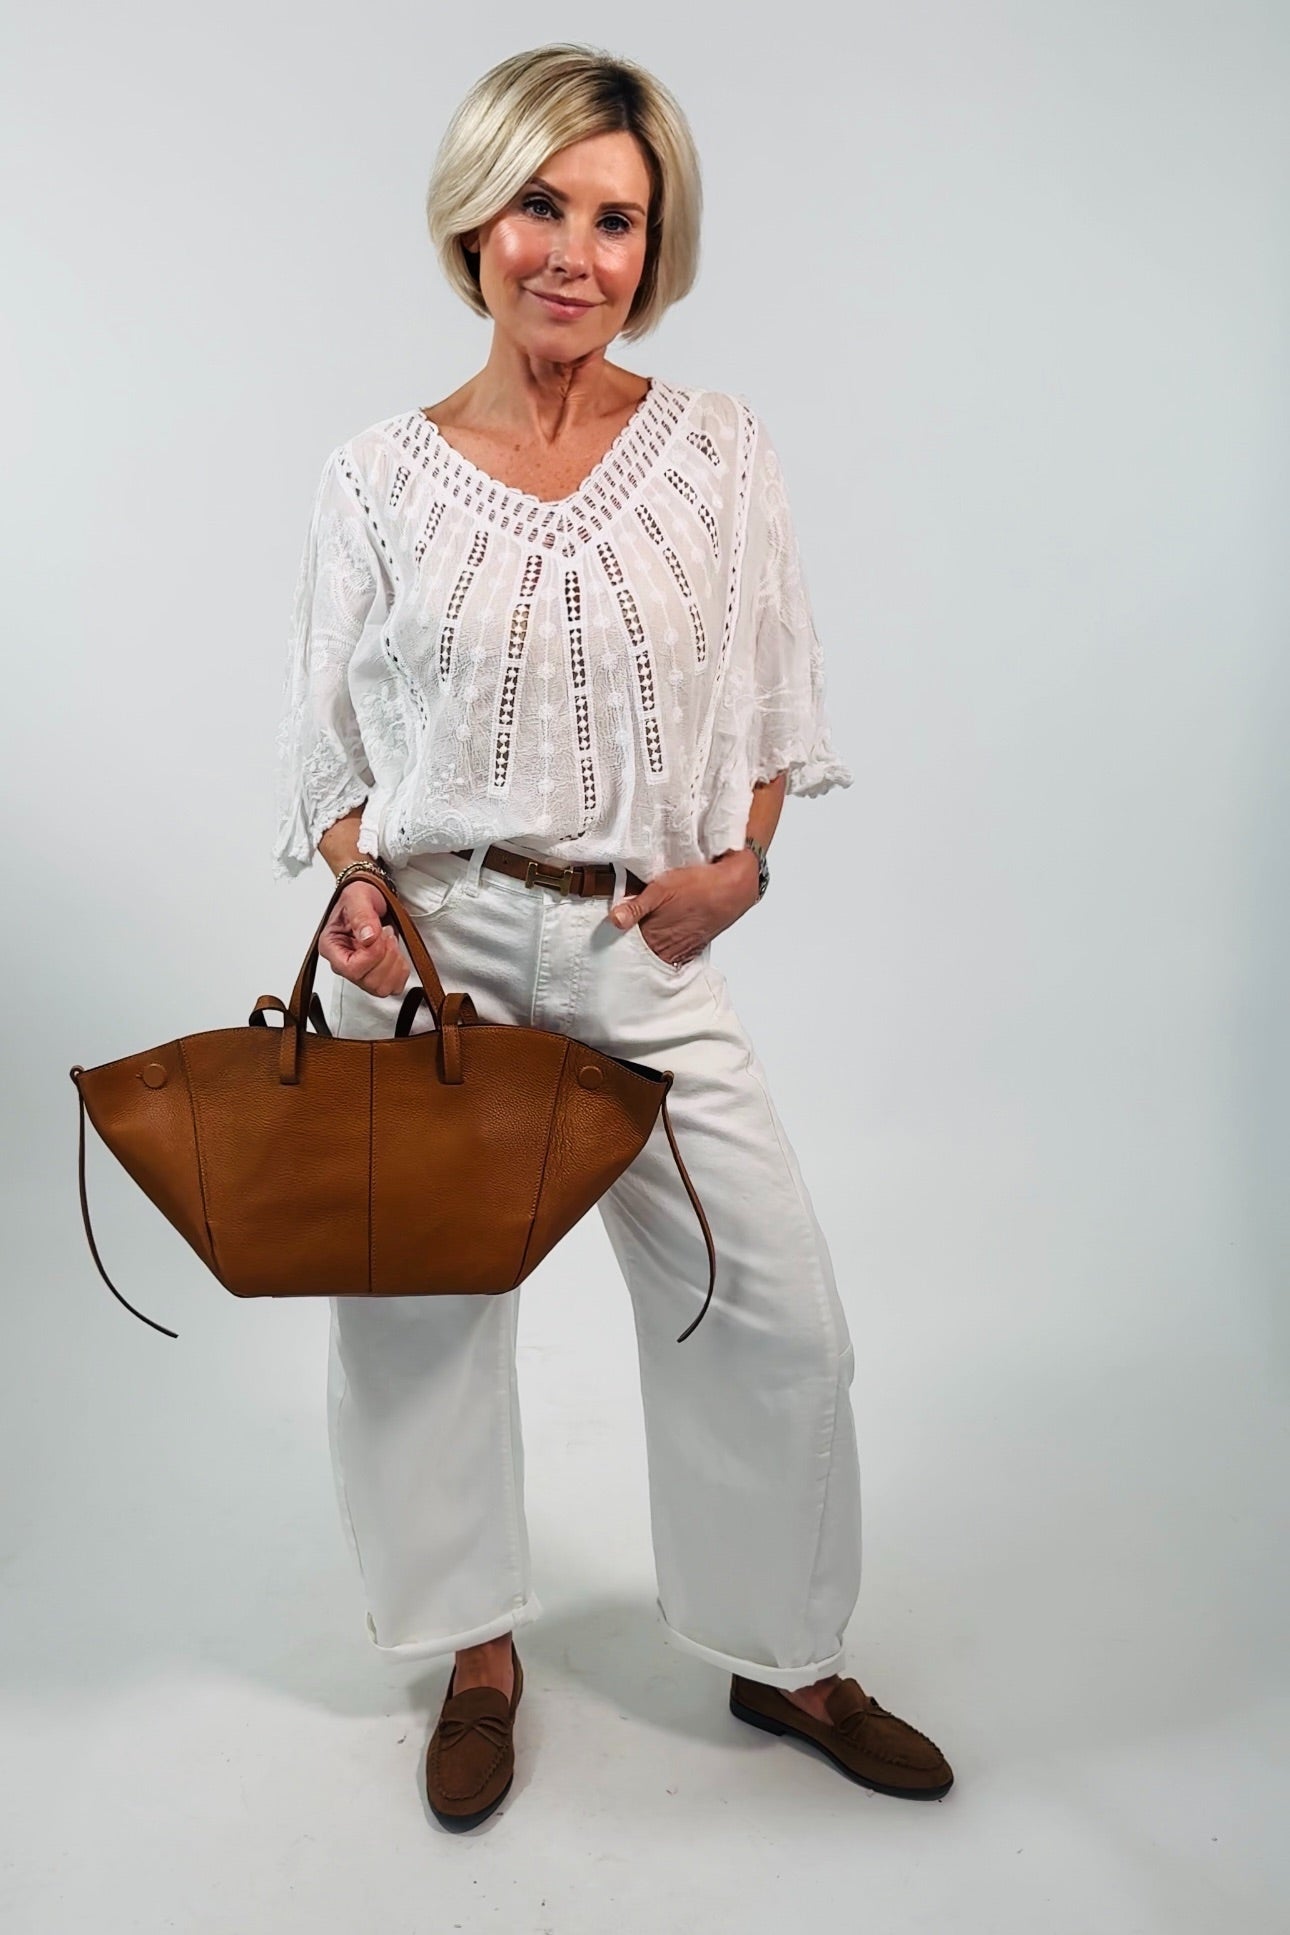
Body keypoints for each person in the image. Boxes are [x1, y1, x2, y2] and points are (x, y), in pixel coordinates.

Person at [271, 42, 952, 1829]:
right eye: (539, 206)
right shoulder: (375, 479)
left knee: (770, 1306)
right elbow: (329, 763)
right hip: (434, 956)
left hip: (638, 951)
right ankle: (472, 1654)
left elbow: (776, 697)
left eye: (617, 219)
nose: (574, 253)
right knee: (415, 1326)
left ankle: (779, 1651)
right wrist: (360, 890)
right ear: (473, 222)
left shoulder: (716, 450)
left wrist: (741, 868)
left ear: (656, 245)